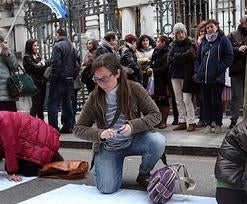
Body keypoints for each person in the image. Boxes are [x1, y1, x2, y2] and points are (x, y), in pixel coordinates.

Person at [73, 53, 166, 194]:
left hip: (135, 139)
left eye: (104, 78)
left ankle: (144, 174)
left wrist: (133, 126)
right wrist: (100, 134)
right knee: (107, 189)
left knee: (158, 141)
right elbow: (78, 128)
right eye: (97, 79)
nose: (100, 83)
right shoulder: (94, 96)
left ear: (117, 73)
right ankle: (105, 168)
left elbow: (156, 115)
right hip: (109, 147)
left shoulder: (134, 88)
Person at [194, 19, 234, 134]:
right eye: (207, 28)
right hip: (203, 78)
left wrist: (219, 69)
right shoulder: (204, 42)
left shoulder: (223, 40)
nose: (209, 29)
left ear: (216, 27)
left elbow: (229, 56)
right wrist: (198, 70)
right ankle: (207, 123)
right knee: (205, 101)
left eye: (211, 27)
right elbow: (197, 58)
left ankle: (218, 124)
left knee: (216, 101)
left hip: (217, 78)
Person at [47, 28, 79, 133]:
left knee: (53, 104)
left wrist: (53, 77)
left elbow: (56, 64)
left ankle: (53, 127)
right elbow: (77, 64)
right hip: (69, 79)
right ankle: (68, 126)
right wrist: (72, 76)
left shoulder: (57, 46)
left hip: (59, 79)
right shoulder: (71, 46)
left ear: (58, 34)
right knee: (67, 103)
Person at [169, 22, 198, 132]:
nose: (180, 34)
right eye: (178, 33)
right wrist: (181, 57)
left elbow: (190, 55)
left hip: (187, 75)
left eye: (182, 32)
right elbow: (169, 59)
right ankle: (181, 121)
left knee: (187, 100)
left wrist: (177, 57)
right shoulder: (172, 45)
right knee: (178, 100)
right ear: (175, 34)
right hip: (175, 75)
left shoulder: (190, 43)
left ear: (185, 33)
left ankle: (191, 122)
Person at [228, 15, 247, 129]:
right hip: (237, 69)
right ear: (243, 23)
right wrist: (237, 49)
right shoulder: (232, 35)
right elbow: (226, 49)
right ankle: (234, 119)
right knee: (236, 96)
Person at [149, 35, 172, 129]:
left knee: (164, 100)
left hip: (164, 80)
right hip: (155, 80)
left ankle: (164, 121)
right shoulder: (155, 51)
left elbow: (165, 68)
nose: (156, 43)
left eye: (158, 41)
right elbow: (152, 62)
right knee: (157, 100)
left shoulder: (167, 52)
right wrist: (149, 68)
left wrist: (153, 70)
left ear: (163, 43)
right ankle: (158, 120)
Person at [23, 39, 48, 120]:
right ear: (30, 46)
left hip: (42, 82)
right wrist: (41, 63)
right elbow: (34, 67)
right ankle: (31, 123)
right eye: (35, 45)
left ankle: (41, 122)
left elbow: (45, 66)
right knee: (36, 103)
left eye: (37, 45)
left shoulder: (38, 56)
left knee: (41, 104)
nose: (37, 47)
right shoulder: (27, 57)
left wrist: (42, 64)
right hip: (34, 83)